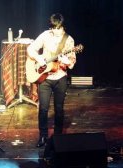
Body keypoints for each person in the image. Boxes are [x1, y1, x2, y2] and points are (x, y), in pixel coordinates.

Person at [27, 13, 76, 147]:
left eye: (58, 28)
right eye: (54, 28)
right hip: (45, 77)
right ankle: (43, 136)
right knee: (43, 109)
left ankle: (58, 137)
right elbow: (30, 48)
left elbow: (71, 63)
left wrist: (65, 60)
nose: (56, 31)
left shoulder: (69, 40)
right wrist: (39, 59)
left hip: (60, 77)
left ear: (62, 27)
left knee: (59, 109)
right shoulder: (45, 35)